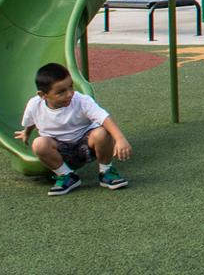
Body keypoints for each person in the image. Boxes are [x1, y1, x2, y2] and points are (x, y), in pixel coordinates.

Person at [14, 63, 131, 195]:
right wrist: (26, 133)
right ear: (43, 95)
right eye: (61, 92)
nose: (69, 94)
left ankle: (106, 171)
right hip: (60, 151)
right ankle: (66, 175)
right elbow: (31, 121)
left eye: (71, 87)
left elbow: (104, 118)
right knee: (39, 144)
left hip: (86, 146)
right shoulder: (34, 105)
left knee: (102, 133)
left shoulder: (81, 101)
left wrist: (120, 139)